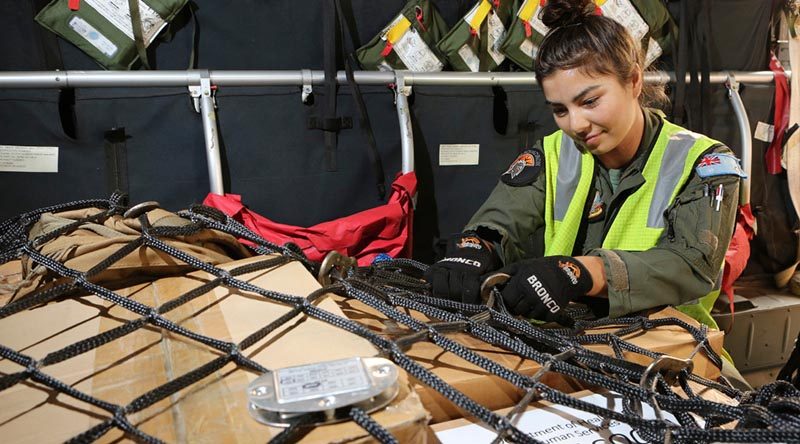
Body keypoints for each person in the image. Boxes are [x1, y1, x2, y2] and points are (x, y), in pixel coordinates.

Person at [424, 0, 746, 329]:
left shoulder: (704, 163)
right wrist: (475, 247)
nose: (576, 124)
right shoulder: (552, 154)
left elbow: (692, 265)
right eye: (560, 110)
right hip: (569, 341)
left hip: (676, 352)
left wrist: (581, 273)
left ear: (634, 81)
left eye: (589, 101)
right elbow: (501, 219)